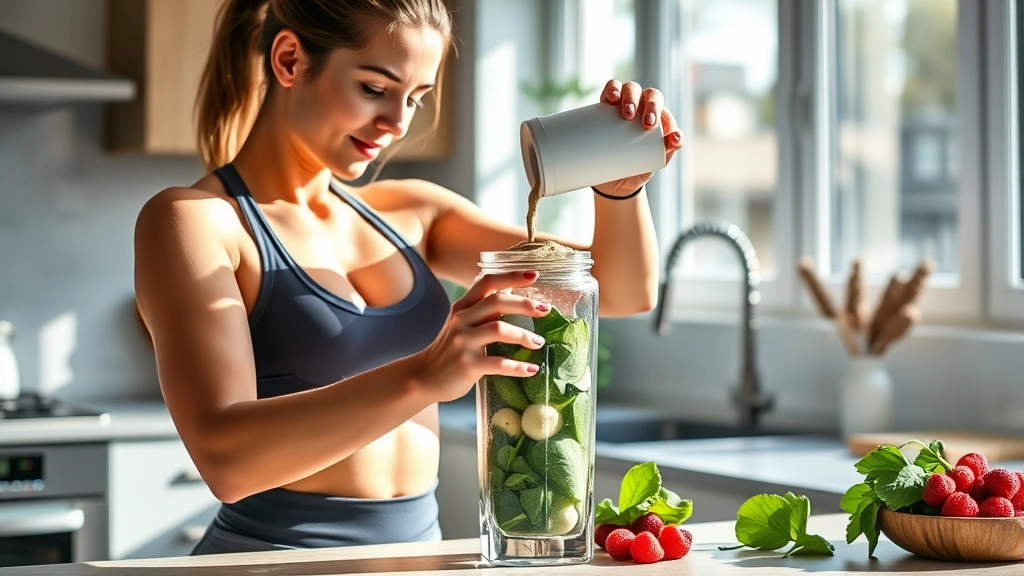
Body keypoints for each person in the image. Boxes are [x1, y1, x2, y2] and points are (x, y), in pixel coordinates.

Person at [133, 0, 683, 555]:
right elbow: (225, 461)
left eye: (415, 99)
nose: (397, 123)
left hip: (419, 555)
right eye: (375, 88)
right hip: (271, 562)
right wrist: (425, 375)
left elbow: (617, 289)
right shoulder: (194, 221)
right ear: (291, 59)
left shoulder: (414, 213)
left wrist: (620, 190)